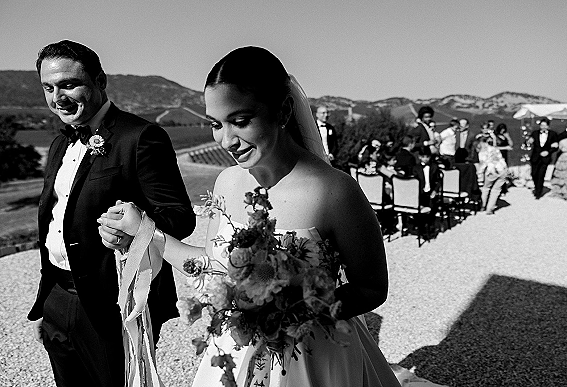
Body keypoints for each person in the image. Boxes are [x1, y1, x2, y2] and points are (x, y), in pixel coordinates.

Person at [98, 46, 401, 387]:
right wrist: (142, 230)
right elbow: (212, 265)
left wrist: (285, 311)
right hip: (235, 352)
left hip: (312, 361)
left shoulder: (335, 192)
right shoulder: (226, 182)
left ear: (283, 110)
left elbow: (372, 288)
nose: (226, 140)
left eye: (240, 121)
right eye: (215, 124)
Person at [27, 40, 196, 387]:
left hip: (113, 305)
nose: (58, 97)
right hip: (57, 299)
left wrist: (138, 228)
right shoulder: (60, 142)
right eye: (48, 87)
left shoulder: (142, 137)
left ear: (100, 81)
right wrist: (48, 306)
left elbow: (180, 216)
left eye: (69, 84)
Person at [527, 117, 559, 199]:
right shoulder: (535, 133)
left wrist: (548, 151)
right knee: (534, 174)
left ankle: (538, 192)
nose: (543, 127)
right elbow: (528, 142)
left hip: (545, 158)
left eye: (545, 126)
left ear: (548, 126)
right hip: (535, 157)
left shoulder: (553, 134)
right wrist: (529, 141)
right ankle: (536, 186)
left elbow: (555, 146)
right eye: (542, 125)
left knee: (541, 174)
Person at [477, 136, 507, 214]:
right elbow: (501, 159)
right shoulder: (495, 149)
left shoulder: (483, 151)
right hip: (501, 169)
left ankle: (483, 206)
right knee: (496, 190)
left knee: (486, 188)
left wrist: (479, 173)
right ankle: (490, 209)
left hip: (491, 170)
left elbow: (483, 164)